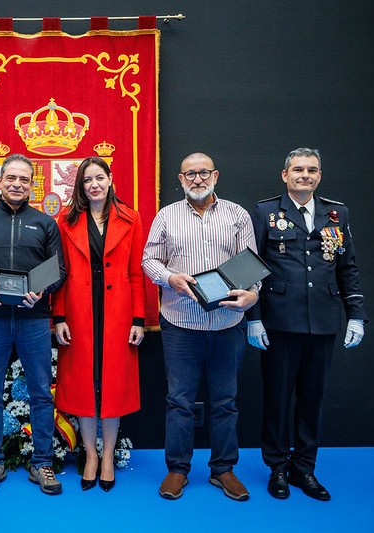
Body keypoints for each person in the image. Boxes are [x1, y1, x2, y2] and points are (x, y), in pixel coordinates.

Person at [247, 147, 367, 501]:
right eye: (298, 169)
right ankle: (278, 469)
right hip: (280, 322)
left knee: (312, 399)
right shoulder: (267, 212)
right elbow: (251, 266)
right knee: (278, 399)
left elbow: (348, 268)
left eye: (312, 170)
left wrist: (356, 314)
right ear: (285, 175)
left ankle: (305, 468)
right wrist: (253, 319)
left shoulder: (337, 213)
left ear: (319, 176)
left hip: (324, 321)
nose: (305, 175)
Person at [142, 152, 258, 501]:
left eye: (203, 172)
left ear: (215, 175)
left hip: (227, 324)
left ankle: (223, 469)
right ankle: (178, 469)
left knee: (225, 401)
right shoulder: (166, 216)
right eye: (189, 174)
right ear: (180, 179)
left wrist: (252, 296)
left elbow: (251, 266)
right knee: (179, 401)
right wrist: (169, 277)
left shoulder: (237, 215)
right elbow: (149, 259)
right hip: (181, 323)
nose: (196, 179)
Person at [0, 153, 66, 496]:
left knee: (40, 394)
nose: (17, 184)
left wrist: (42, 289)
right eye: (11, 178)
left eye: (23, 179)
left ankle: (43, 463)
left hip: (35, 319)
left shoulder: (46, 223)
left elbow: (59, 272)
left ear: (32, 185)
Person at [52, 156, 145, 492]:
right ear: (80, 185)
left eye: (99, 178)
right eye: (87, 179)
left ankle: (108, 456)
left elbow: (137, 273)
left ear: (110, 179)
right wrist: (58, 316)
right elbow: (59, 275)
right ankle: (90, 453)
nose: (94, 184)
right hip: (78, 313)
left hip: (118, 314)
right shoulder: (66, 220)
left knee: (113, 386)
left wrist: (138, 318)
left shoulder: (131, 217)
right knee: (81, 385)